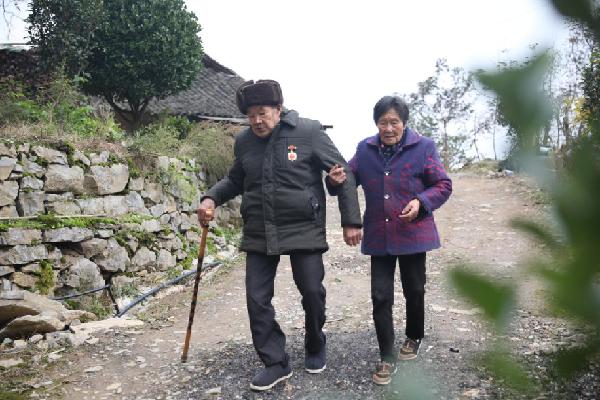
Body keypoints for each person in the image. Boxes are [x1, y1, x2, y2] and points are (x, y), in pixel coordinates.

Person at [197, 79, 362, 391]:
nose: (257, 121)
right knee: (256, 298)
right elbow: (235, 179)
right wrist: (210, 198)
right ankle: (275, 362)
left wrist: (351, 220)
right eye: (251, 116)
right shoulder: (244, 141)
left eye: (263, 113)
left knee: (312, 292)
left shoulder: (308, 131)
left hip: (303, 225)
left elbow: (343, 172)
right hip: (260, 228)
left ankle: (315, 341)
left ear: (278, 108)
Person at [328, 95, 452, 386]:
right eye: (383, 122)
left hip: (413, 233)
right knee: (380, 296)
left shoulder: (423, 147)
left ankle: (414, 335)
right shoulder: (365, 149)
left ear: (404, 123)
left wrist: (421, 202)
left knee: (414, 289)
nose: (388, 128)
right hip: (379, 235)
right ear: (376, 123)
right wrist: (333, 180)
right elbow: (347, 178)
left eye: (394, 122)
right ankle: (386, 355)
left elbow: (443, 184)